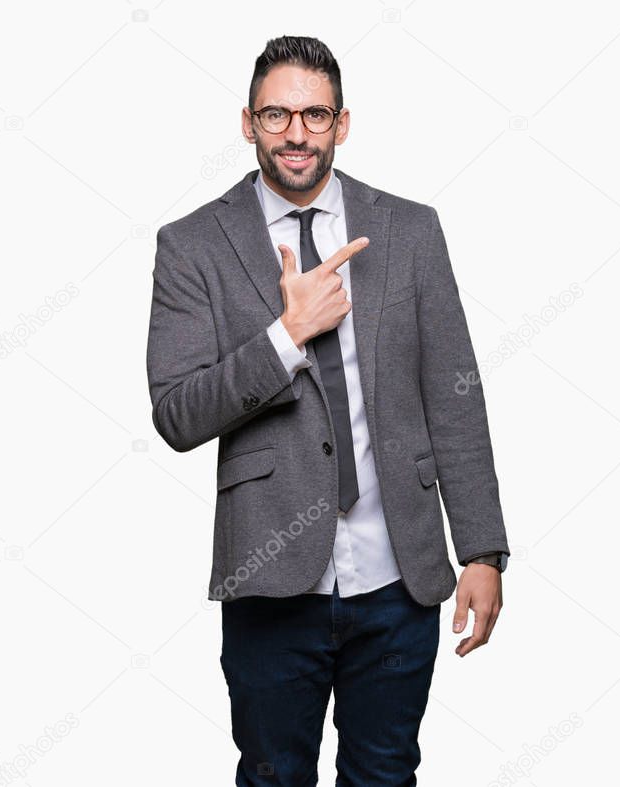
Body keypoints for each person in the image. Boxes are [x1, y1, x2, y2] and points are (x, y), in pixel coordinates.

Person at [145, 35, 510, 785]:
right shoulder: (192, 246)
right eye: (276, 114)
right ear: (247, 123)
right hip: (271, 577)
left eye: (315, 114)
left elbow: (454, 396)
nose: (296, 133)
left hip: (398, 576)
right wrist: (286, 335)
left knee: (384, 774)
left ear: (342, 124)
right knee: (275, 776)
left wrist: (481, 548)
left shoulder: (410, 231)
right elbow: (177, 413)